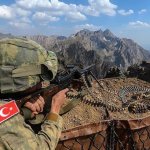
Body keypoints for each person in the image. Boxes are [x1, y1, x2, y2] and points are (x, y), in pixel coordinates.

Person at [0, 37, 68, 150]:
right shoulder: (6, 125)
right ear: (20, 83)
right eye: (36, 81)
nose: (40, 85)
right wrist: (55, 110)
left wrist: (20, 111)